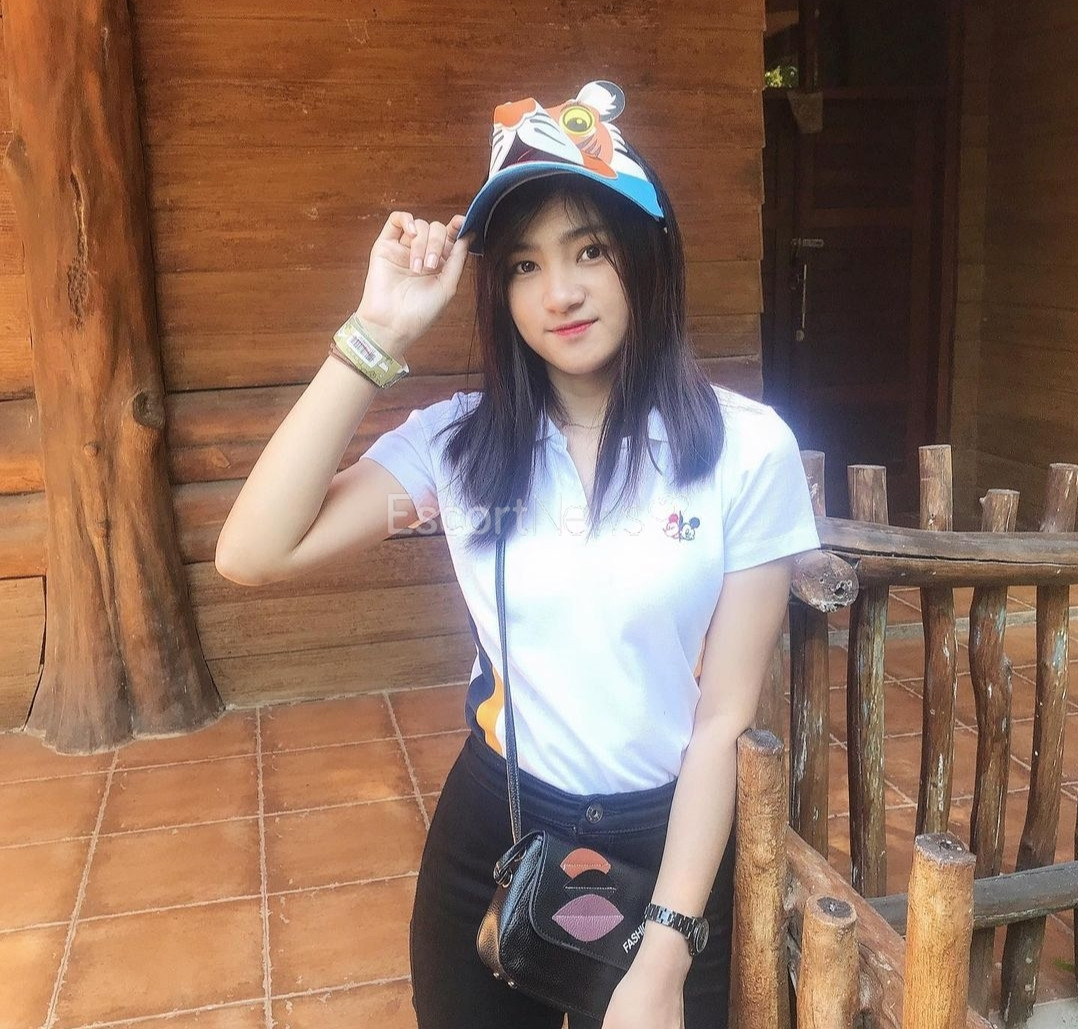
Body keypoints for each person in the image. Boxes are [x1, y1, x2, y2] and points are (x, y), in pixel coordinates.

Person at [216, 80, 819, 1029]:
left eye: (591, 250)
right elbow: (252, 551)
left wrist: (665, 951)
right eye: (526, 265)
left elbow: (722, 720)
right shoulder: (458, 445)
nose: (560, 292)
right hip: (497, 830)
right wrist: (377, 332)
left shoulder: (745, 448)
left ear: (648, 255)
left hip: (674, 848)